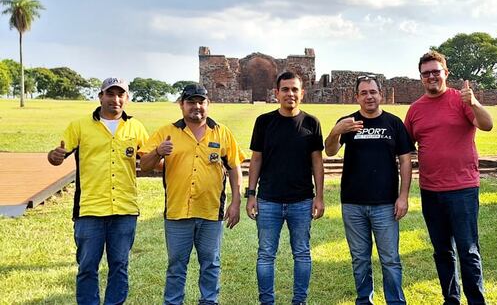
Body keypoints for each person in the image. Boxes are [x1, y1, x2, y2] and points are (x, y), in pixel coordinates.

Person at [139, 84, 243, 305]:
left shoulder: (222, 132)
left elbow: (234, 167)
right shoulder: (166, 132)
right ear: (181, 105)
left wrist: (236, 202)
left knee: (210, 263)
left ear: (208, 104)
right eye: (191, 102)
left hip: (211, 210)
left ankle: (209, 301)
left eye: (201, 102)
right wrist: (158, 151)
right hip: (178, 212)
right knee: (176, 265)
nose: (196, 106)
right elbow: (145, 166)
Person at [47, 77, 149, 305]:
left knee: (120, 266)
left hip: (124, 208)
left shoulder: (135, 127)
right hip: (90, 209)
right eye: (110, 94)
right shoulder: (80, 126)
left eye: (120, 94)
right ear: (100, 96)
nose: (115, 99)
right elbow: (57, 156)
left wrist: (164, 154)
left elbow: (150, 160)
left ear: (127, 98)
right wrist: (53, 157)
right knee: (87, 267)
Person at [404, 51, 493, 305]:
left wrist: (474, 102)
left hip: (462, 188)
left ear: (446, 73)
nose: (431, 76)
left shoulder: (460, 100)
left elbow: (487, 125)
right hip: (431, 190)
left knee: (467, 250)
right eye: (426, 73)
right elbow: (405, 147)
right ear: (421, 77)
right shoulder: (415, 110)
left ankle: (476, 300)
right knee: (442, 251)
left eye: (436, 71)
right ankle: (450, 299)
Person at [325, 75, 413, 305]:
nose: (369, 97)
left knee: (390, 258)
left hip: (385, 203)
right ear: (357, 97)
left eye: (373, 92)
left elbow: (405, 161)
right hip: (353, 202)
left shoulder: (393, 123)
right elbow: (331, 151)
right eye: (363, 93)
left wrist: (403, 196)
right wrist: (336, 131)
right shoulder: (347, 122)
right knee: (360, 258)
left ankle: (395, 301)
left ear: (380, 94)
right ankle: (364, 300)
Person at [245, 71, 325, 305]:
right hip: (269, 199)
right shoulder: (264, 122)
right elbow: (256, 159)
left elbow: (317, 162)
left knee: (301, 253)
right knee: (266, 255)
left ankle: (299, 301)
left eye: (294, 89)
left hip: (301, 200)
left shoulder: (311, 122)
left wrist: (319, 197)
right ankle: (266, 302)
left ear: (302, 93)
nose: (290, 94)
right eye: (285, 89)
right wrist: (251, 195)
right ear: (276, 93)